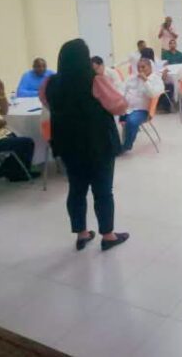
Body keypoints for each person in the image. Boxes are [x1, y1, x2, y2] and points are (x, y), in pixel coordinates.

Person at [42, 39, 130, 251]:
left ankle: (81, 233)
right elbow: (119, 106)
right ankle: (108, 235)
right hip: (97, 142)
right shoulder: (95, 81)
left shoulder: (50, 83)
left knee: (76, 188)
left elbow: (47, 103)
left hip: (67, 143)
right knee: (103, 190)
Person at [119, 58, 164, 153]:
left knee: (131, 121)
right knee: (108, 115)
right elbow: (122, 89)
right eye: (138, 67)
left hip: (142, 110)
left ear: (150, 67)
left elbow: (153, 94)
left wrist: (145, 81)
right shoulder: (132, 78)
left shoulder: (156, 79)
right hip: (126, 107)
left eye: (143, 67)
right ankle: (113, 144)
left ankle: (126, 146)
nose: (140, 70)